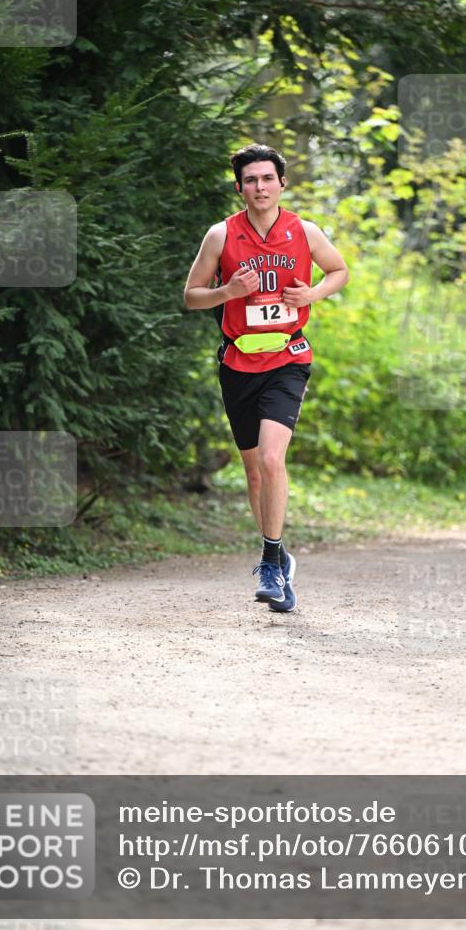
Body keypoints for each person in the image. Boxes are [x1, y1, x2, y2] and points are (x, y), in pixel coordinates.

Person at [184, 144, 348, 612]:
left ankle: (271, 561)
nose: (260, 187)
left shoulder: (304, 230)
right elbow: (191, 296)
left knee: (273, 459)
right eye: (251, 180)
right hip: (238, 363)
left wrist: (312, 293)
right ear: (240, 187)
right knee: (255, 473)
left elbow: (339, 271)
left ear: (282, 183)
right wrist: (228, 291)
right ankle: (280, 555)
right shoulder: (221, 235)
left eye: (268, 178)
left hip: (288, 358)